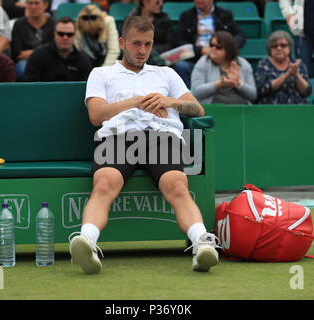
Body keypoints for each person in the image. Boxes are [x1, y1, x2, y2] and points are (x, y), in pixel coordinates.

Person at [68, 16, 220, 275]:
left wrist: (169, 102)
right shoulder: (101, 73)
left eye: (147, 44)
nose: (142, 50)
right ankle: (87, 243)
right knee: (104, 182)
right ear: (122, 42)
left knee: (177, 185)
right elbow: (95, 115)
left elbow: (197, 108)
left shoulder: (166, 74)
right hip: (118, 137)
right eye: (136, 43)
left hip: (162, 137)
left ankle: (202, 243)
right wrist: (134, 102)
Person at [173, 0, 246, 88]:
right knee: (180, 66)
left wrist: (226, 48)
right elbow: (178, 41)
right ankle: (190, 96)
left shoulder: (225, 14)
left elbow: (240, 36)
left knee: (239, 65)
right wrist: (200, 50)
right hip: (195, 60)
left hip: (221, 60)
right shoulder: (186, 16)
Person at [191, 31, 257, 105]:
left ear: (229, 49)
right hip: (214, 109)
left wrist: (239, 83)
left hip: (241, 109)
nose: (213, 48)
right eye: (211, 45)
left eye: (218, 47)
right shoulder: (203, 62)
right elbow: (196, 92)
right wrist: (219, 84)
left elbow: (253, 95)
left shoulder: (243, 64)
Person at [23, 16, 92, 81]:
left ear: (75, 35)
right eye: (61, 34)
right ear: (54, 34)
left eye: (69, 34)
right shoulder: (38, 55)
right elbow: (29, 85)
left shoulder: (83, 60)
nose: (65, 37)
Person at [255, 30, 311, 104]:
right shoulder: (263, 64)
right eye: (274, 46)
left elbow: (307, 91)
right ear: (269, 49)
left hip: (297, 108)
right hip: (270, 109)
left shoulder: (297, 64)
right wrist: (286, 75)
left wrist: (296, 76)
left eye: (283, 45)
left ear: (289, 47)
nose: (279, 48)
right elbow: (261, 89)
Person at [11, 0, 55, 79]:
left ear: (46, 5)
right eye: (30, 3)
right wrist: (43, 52)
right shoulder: (19, 24)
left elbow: (54, 51)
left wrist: (32, 53)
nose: (33, 6)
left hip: (49, 61)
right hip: (24, 63)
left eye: (36, 3)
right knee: (23, 69)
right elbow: (17, 54)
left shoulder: (53, 24)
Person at [129, 0, 175, 65]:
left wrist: (150, 49)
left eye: (162, 1)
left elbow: (170, 44)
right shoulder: (131, 20)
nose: (161, 4)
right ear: (145, 2)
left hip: (159, 57)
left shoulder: (165, 20)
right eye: (157, 2)